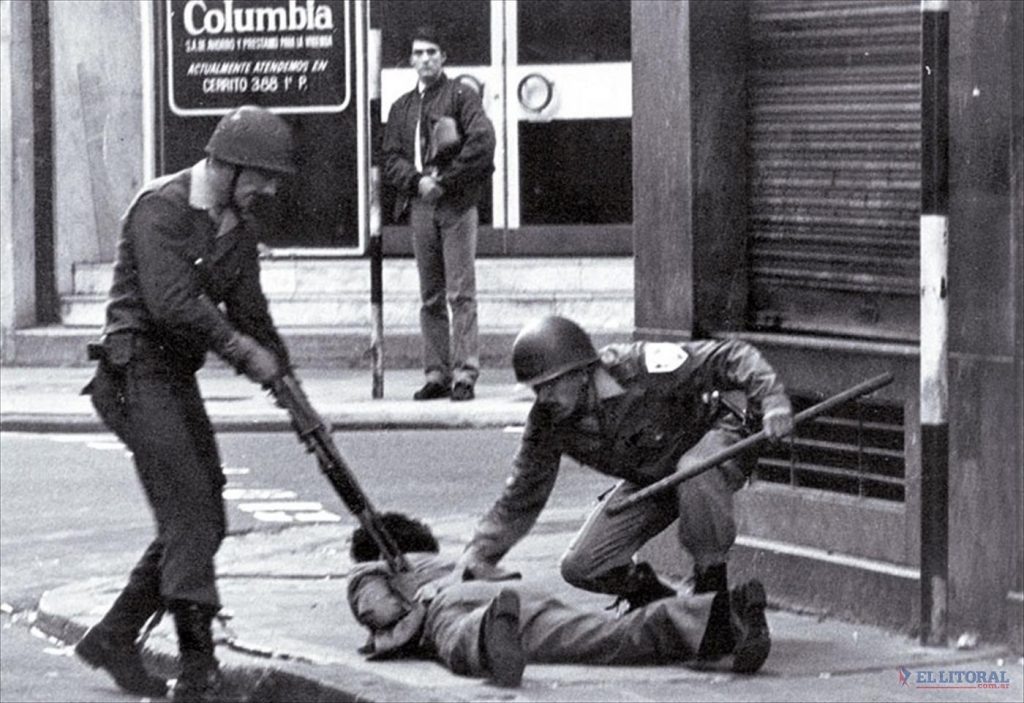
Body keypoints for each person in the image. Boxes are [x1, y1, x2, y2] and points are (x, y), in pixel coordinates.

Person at [75, 105, 298, 702]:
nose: (269, 189)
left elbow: (250, 310)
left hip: (172, 377)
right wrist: (244, 354)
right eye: (262, 176)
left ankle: (115, 636)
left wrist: (287, 382)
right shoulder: (162, 207)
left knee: (204, 518)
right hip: (132, 376)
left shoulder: (237, 227)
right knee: (192, 517)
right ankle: (199, 670)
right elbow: (172, 303)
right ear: (228, 166)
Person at [441, 316, 795, 615]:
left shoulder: (638, 366)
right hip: (654, 477)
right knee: (582, 565)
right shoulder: (548, 423)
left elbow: (731, 355)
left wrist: (773, 400)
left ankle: (711, 594)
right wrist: (479, 554)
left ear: (581, 373)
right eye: (537, 389)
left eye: (551, 385)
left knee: (694, 468)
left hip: (717, 442)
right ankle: (661, 607)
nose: (544, 398)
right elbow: (521, 495)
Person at [347, 512, 772, 687]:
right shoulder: (446, 560)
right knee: (608, 634)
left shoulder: (370, 570)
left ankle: (490, 634)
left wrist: (394, 629)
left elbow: (380, 609)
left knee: (456, 638)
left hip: (451, 607)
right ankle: (722, 614)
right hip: (519, 594)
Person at [382, 24, 496, 402]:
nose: (426, 59)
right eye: (419, 53)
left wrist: (445, 181)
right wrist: (417, 182)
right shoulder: (401, 107)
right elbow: (391, 157)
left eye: (432, 52)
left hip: (456, 204)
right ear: (411, 60)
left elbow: (483, 142)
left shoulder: (462, 96)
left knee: (460, 292)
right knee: (430, 295)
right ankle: (436, 374)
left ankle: (465, 374)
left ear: (443, 57)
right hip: (420, 206)